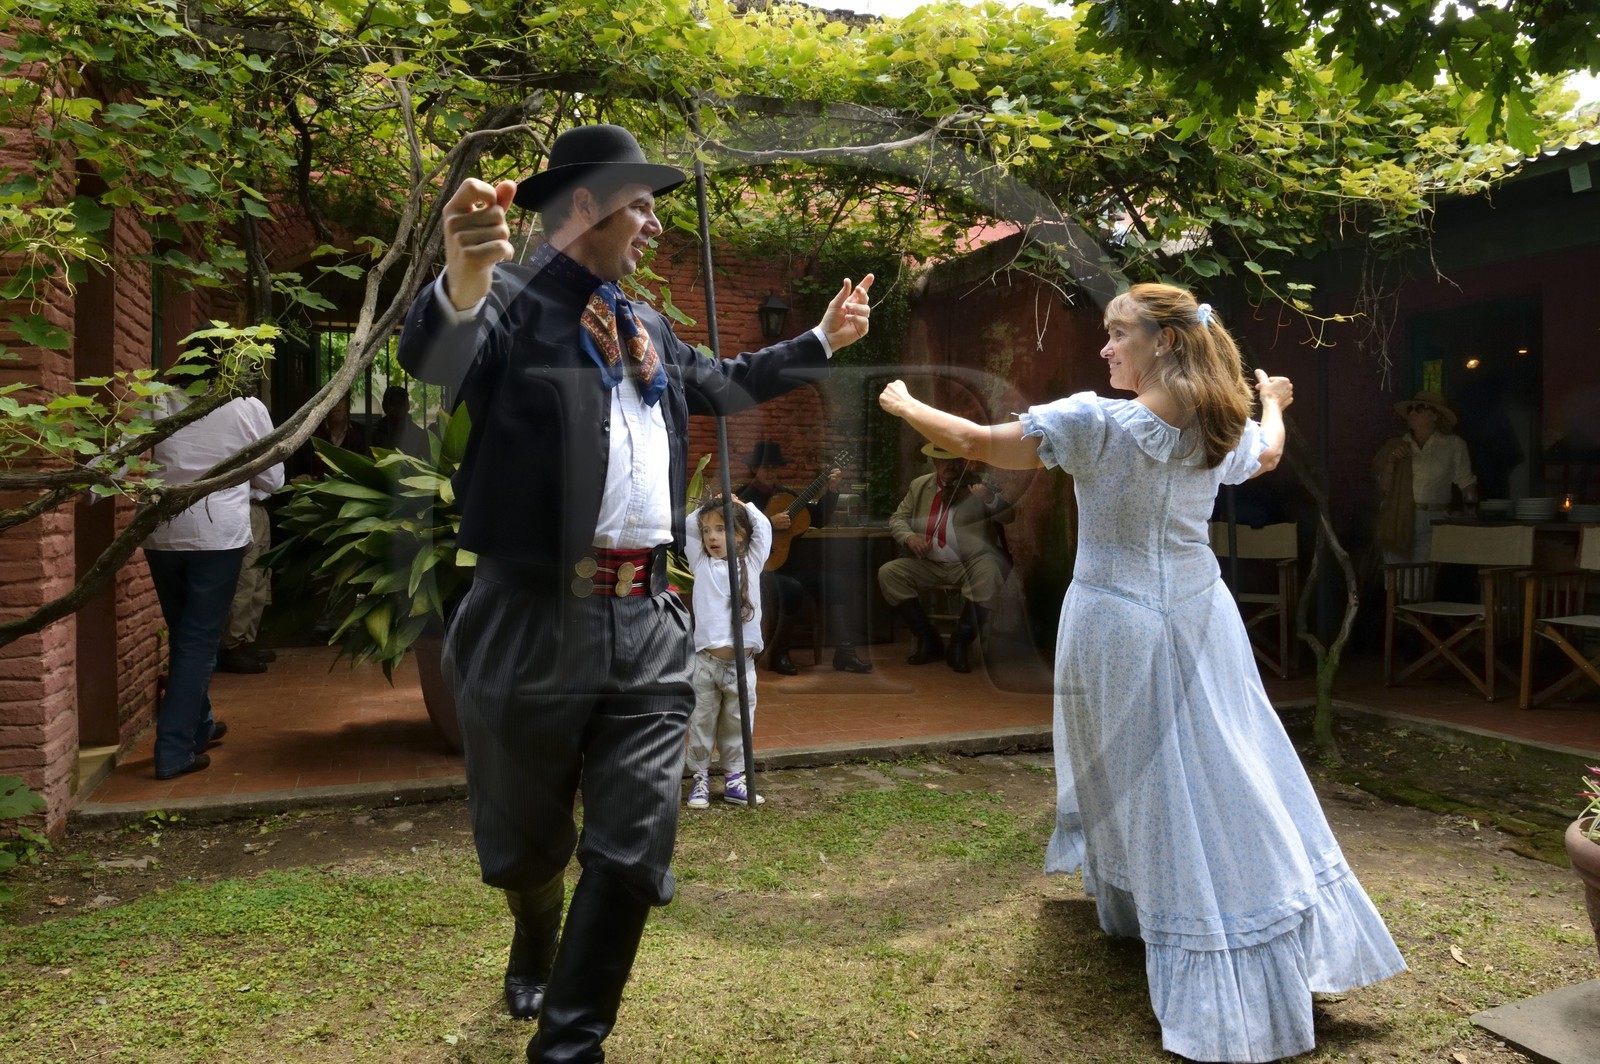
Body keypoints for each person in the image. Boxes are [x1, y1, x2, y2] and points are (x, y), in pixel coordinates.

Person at [395, 122, 873, 1062]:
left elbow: (726, 384)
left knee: (633, 841)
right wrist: (460, 277)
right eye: (641, 204)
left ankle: (569, 1043)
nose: (653, 222)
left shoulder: (646, 327)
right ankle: (535, 929)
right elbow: (435, 355)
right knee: (528, 845)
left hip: (652, 618)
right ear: (585, 206)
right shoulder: (505, 305)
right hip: (529, 614)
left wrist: (823, 336)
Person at [877, 283, 1404, 1062]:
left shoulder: (1094, 420)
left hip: (1119, 621)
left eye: (1117, 333)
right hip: (1200, 615)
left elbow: (977, 440)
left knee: (1147, 775)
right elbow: (1268, 452)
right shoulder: (1219, 423)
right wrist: (1275, 401)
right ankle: (1178, 910)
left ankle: (1200, 929)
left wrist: (901, 402)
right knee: (1221, 763)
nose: (1104, 348)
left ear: (1163, 342)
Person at [143, 384, 284, 779]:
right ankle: (173, 752)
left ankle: (199, 726)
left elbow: (117, 457)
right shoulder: (245, 406)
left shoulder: (156, 396)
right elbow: (273, 479)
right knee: (199, 642)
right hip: (217, 535)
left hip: (163, 533)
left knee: (184, 635)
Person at [735, 440, 873, 675]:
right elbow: (734, 530)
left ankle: (845, 652)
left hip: (790, 567)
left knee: (835, 584)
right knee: (792, 589)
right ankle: (779, 654)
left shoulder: (788, 496)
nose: (770, 471)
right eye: (765, 466)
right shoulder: (742, 497)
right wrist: (768, 523)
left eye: (774, 467)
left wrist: (832, 490)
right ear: (755, 468)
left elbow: (817, 519)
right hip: (759, 571)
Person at [877, 442, 1015, 673]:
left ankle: (960, 642)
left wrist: (989, 498)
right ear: (934, 461)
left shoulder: (979, 482)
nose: (950, 465)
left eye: (956, 460)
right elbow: (897, 519)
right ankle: (928, 638)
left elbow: (1009, 515)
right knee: (889, 573)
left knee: (989, 571)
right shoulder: (920, 485)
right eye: (944, 460)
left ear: (963, 461)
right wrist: (909, 537)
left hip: (969, 562)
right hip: (929, 563)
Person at [683, 496, 771, 809]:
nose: (711, 537)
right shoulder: (700, 562)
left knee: (738, 724)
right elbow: (688, 527)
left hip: (742, 667)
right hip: (706, 665)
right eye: (708, 531)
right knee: (702, 723)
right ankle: (700, 777)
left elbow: (763, 527)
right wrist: (714, 502)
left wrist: (743, 504)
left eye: (721, 529)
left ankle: (735, 778)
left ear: (739, 534)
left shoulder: (753, 561)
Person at [1373, 390, 1477, 564]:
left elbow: (1466, 483)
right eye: (1410, 409)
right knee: (1395, 580)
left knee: (1420, 580)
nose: (1413, 412)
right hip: (1399, 516)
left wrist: (1471, 512)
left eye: (1420, 408)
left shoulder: (1453, 445)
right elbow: (1384, 488)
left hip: (1433, 519)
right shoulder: (1399, 445)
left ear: (1435, 415)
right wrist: (1391, 460)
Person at [216, 483, 276, 675]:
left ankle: (247, 642)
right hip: (242, 507)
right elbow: (272, 478)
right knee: (246, 580)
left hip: (259, 506)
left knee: (259, 577)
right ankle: (232, 647)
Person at [290, 392, 368, 479]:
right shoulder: (310, 434)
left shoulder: (362, 433)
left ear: (348, 403)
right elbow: (298, 469)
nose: (336, 404)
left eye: (340, 400)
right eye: (331, 400)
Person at [370, 383, 429, 457]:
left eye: (401, 403)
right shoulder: (374, 434)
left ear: (408, 406)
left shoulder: (420, 435)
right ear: (384, 406)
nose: (398, 408)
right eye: (393, 404)